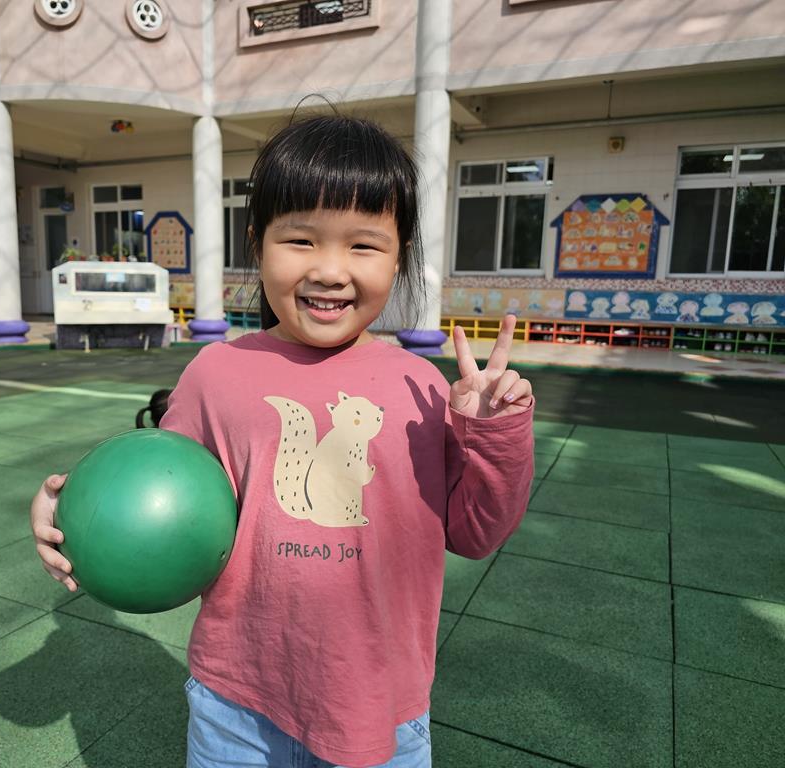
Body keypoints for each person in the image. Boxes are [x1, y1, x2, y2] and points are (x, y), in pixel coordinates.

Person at [30, 114, 534, 768]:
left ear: (400, 255)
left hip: (379, 707)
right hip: (235, 704)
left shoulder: (420, 386)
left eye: (364, 245)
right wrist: (69, 508)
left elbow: (477, 532)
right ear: (258, 242)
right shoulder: (216, 373)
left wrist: (493, 432)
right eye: (300, 239)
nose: (330, 271)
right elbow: (159, 493)